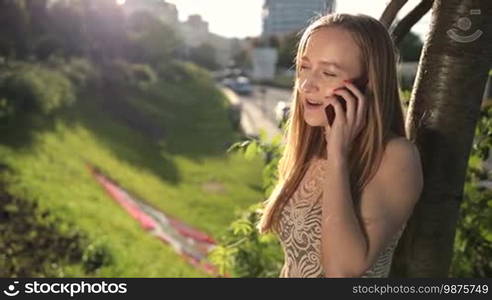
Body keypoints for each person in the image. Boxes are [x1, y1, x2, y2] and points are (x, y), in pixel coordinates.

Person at [256, 13, 424, 278]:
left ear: (367, 84)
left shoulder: (396, 157)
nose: (307, 85)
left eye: (328, 73)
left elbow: (342, 271)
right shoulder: (308, 148)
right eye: (303, 66)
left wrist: (338, 155)